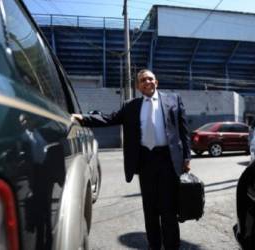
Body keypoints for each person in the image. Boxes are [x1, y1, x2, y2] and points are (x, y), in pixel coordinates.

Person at [72, 69, 191, 250]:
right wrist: (83, 119)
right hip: (145, 162)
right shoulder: (131, 106)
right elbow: (109, 118)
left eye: (150, 79)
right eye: (143, 80)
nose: (147, 82)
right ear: (138, 86)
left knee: (168, 209)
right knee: (150, 209)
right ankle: (154, 245)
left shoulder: (173, 99)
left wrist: (187, 157)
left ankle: (172, 246)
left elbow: (184, 130)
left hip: (168, 160)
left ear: (156, 82)